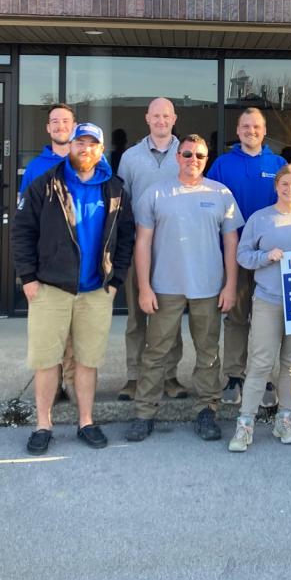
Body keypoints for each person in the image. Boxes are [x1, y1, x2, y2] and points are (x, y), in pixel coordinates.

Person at [12, 122, 134, 455]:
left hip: (96, 291)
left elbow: (126, 239)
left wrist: (115, 282)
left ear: (100, 149)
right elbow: (21, 232)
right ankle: (43, 425)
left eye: (91, 144)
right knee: (47, 360)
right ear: (71, 146)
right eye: (79, 142)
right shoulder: (46, 185)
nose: (85, 149)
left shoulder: (114, 189)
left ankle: (86, 421)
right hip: (51, 289)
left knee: (87, 360)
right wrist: (29, 278)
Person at [125, 134, 243, 443]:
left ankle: (207, 410)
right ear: (178, 156)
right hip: (165, 286)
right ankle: (145, 412)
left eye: (199, 156)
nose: (193, 160)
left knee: (208, 353)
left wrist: (230, 286)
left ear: (207, 160)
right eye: (187, 154)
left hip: (208, 287)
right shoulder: (155, 193)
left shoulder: (221, 194)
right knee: (156, 352)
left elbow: (232, 244)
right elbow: (143, 243)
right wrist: (144, 287)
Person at [227, 165, 291, 452]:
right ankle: (245, 424)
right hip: (268, 299)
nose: (290, 189)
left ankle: (285, 419)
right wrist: (266, 257)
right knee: (260, 362)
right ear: (276, 186)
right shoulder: (260, 219)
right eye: (285, 184)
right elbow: (243, 255)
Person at [207, 107, 287, 407]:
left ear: (264, 131)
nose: (250, 131)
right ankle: (234, 376)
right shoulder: (222, 165)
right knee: (237, 318)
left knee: (266, 321)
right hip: (236, 256)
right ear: (238, 131)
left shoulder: (278, 164)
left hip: (270, 258)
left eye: (256, 126)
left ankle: (264, 376)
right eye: (245, 126)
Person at [115, 97, 187, 402]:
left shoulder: (187, 154)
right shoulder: (130, 158)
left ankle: (170, 375)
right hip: (138, 247)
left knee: (169, 316)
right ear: (147, 118)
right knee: (136, 316)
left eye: (166, 116)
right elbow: (123, 204)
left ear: (174, 119)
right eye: (155, 116)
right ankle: (134, 376)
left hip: (175, 249)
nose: (161, 120)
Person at [17, 103, 79, 402]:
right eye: (54, 121)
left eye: (65, 121)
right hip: (46, 265)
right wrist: (26, 273)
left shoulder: (91, 163)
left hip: (82, 265)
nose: (60, 126)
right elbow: (23, 223)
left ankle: (71, 383)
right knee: (49, 331)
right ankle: (52, 387)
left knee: (76, 333)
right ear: (47, 128)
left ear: (74, 126)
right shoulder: (35, 168)